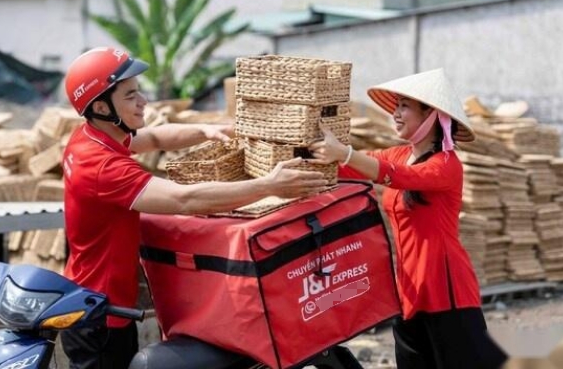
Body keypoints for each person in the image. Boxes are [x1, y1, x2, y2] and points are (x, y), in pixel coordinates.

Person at [60, 46, 328, 369]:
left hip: (94, 301)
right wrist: (269, 185)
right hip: (101, 318)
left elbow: (155, 139)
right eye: (131, 96)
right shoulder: (102, 166)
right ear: (102, 106)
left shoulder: (93, 136)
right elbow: (184, 199)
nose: (143, 101)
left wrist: (205, 130)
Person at [309, 68, 508, 369]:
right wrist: (312, 153)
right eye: (396, 106)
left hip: (446, 291)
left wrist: (345, 153)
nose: (396, 114)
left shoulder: (447, 164)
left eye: (404, 106)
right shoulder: (399, 154)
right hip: (408, 289)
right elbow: (354, 169)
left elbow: (398, 177)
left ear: (432, 115)